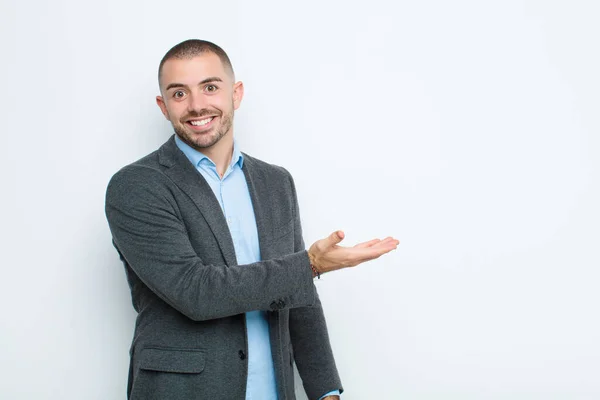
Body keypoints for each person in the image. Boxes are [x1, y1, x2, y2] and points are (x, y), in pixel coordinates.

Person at [105, 39, 399, 400]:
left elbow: (299, 295)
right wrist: (309, 264)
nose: (197, 105)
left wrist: (326, 392)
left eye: (210, 87)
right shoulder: (137, 185)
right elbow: (196, 292)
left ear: (236, 94)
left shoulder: (275, 183)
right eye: (179, 93)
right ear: (163, 106)